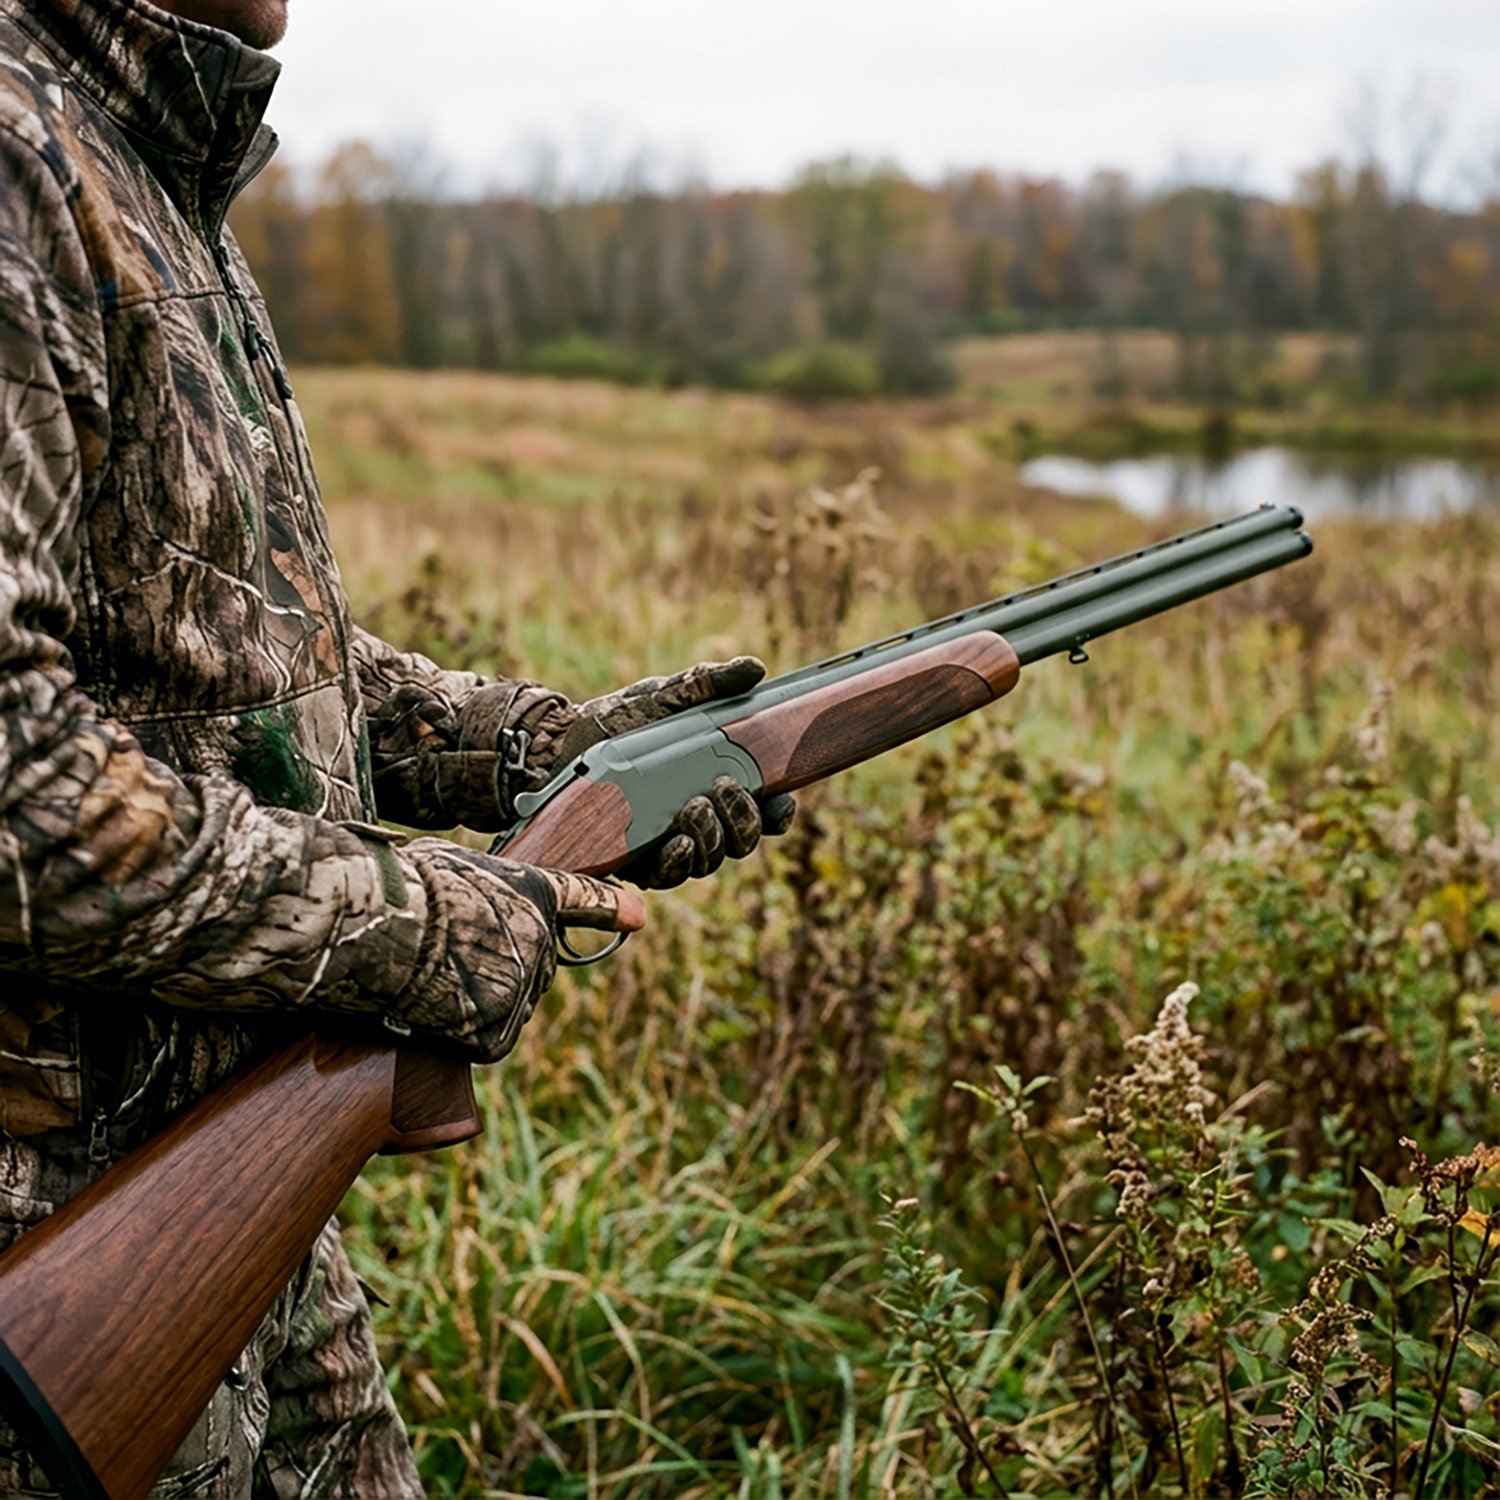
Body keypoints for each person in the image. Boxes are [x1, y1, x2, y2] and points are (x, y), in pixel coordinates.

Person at [0, 0, 794, 1493]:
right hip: (55, 1236)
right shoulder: (17, 156)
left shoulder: (151, 165)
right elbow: (10, 782)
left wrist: (543, 749)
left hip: (228, 1198)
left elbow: (234, 658)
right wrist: (421, 927)